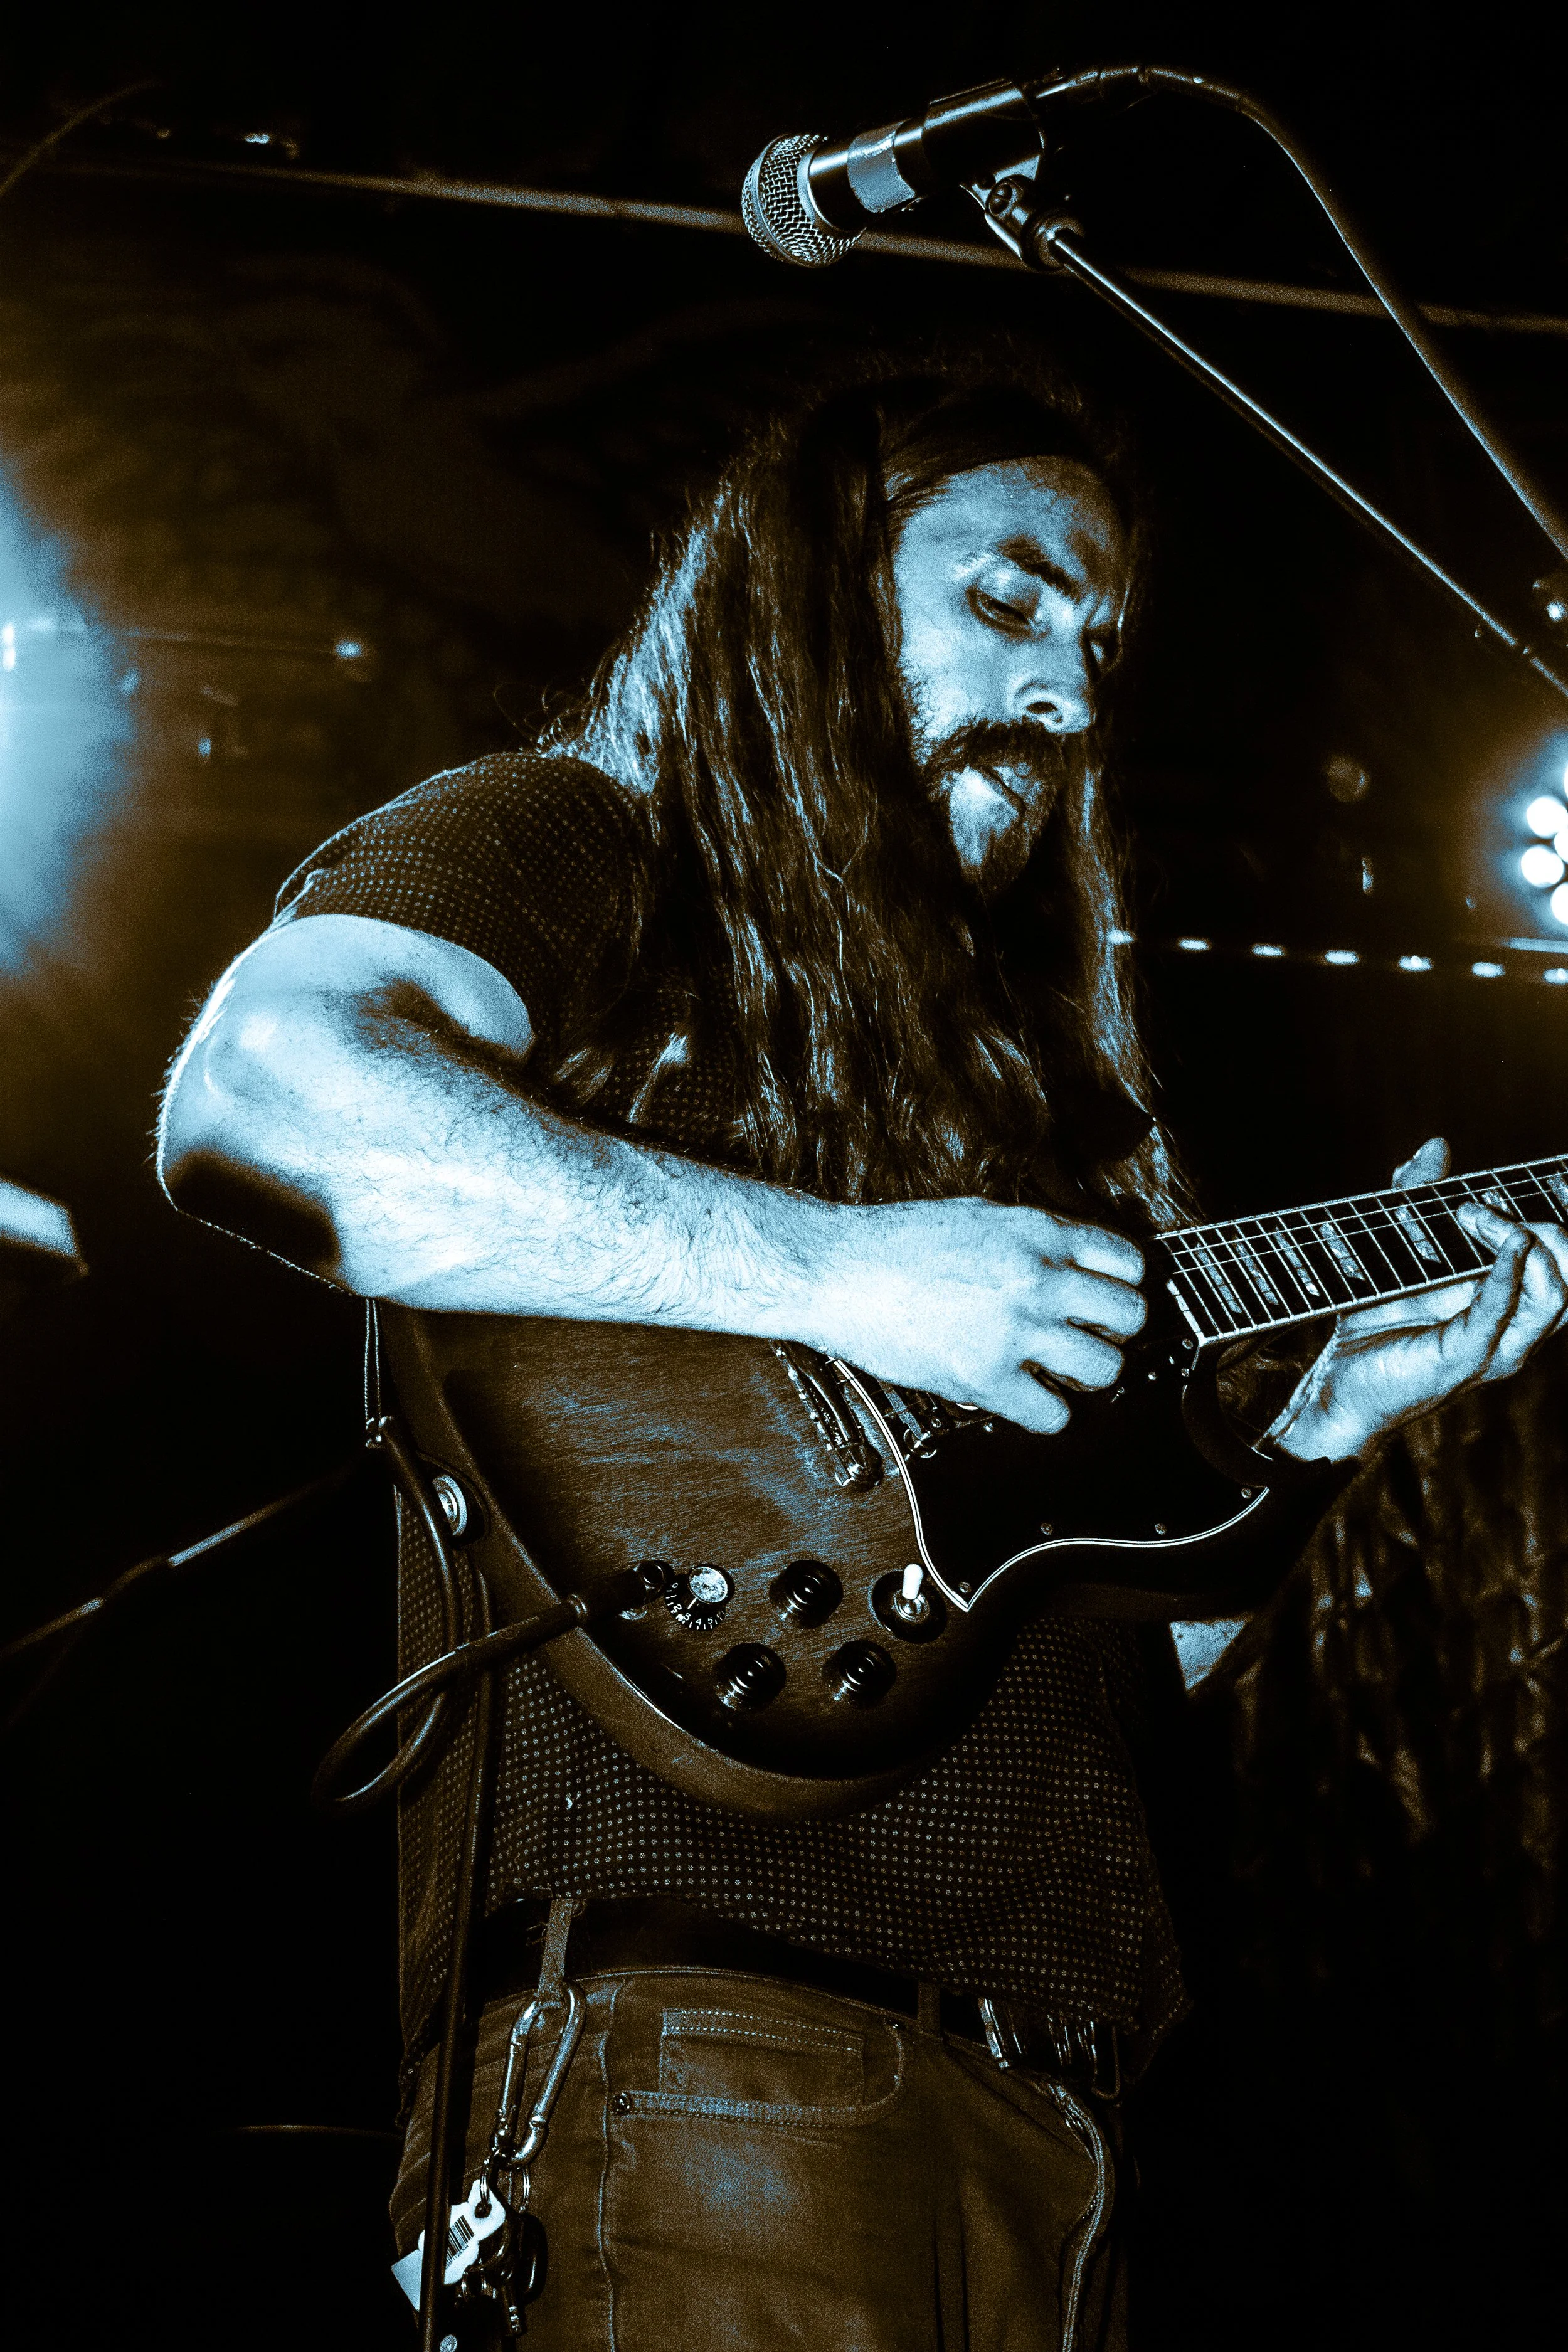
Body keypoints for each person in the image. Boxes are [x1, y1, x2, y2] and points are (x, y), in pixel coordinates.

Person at [157, 348, 1568, 2350]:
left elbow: (1103, 1667)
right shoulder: (577, 840)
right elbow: (267, 1092)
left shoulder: (1023, 1102)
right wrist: (833, 1272)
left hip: (1058, 2136)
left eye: (1097, 641)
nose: (1070, 697)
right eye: (1002, 603)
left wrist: (1324, 1433)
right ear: (809, 586)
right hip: (705, 2075)